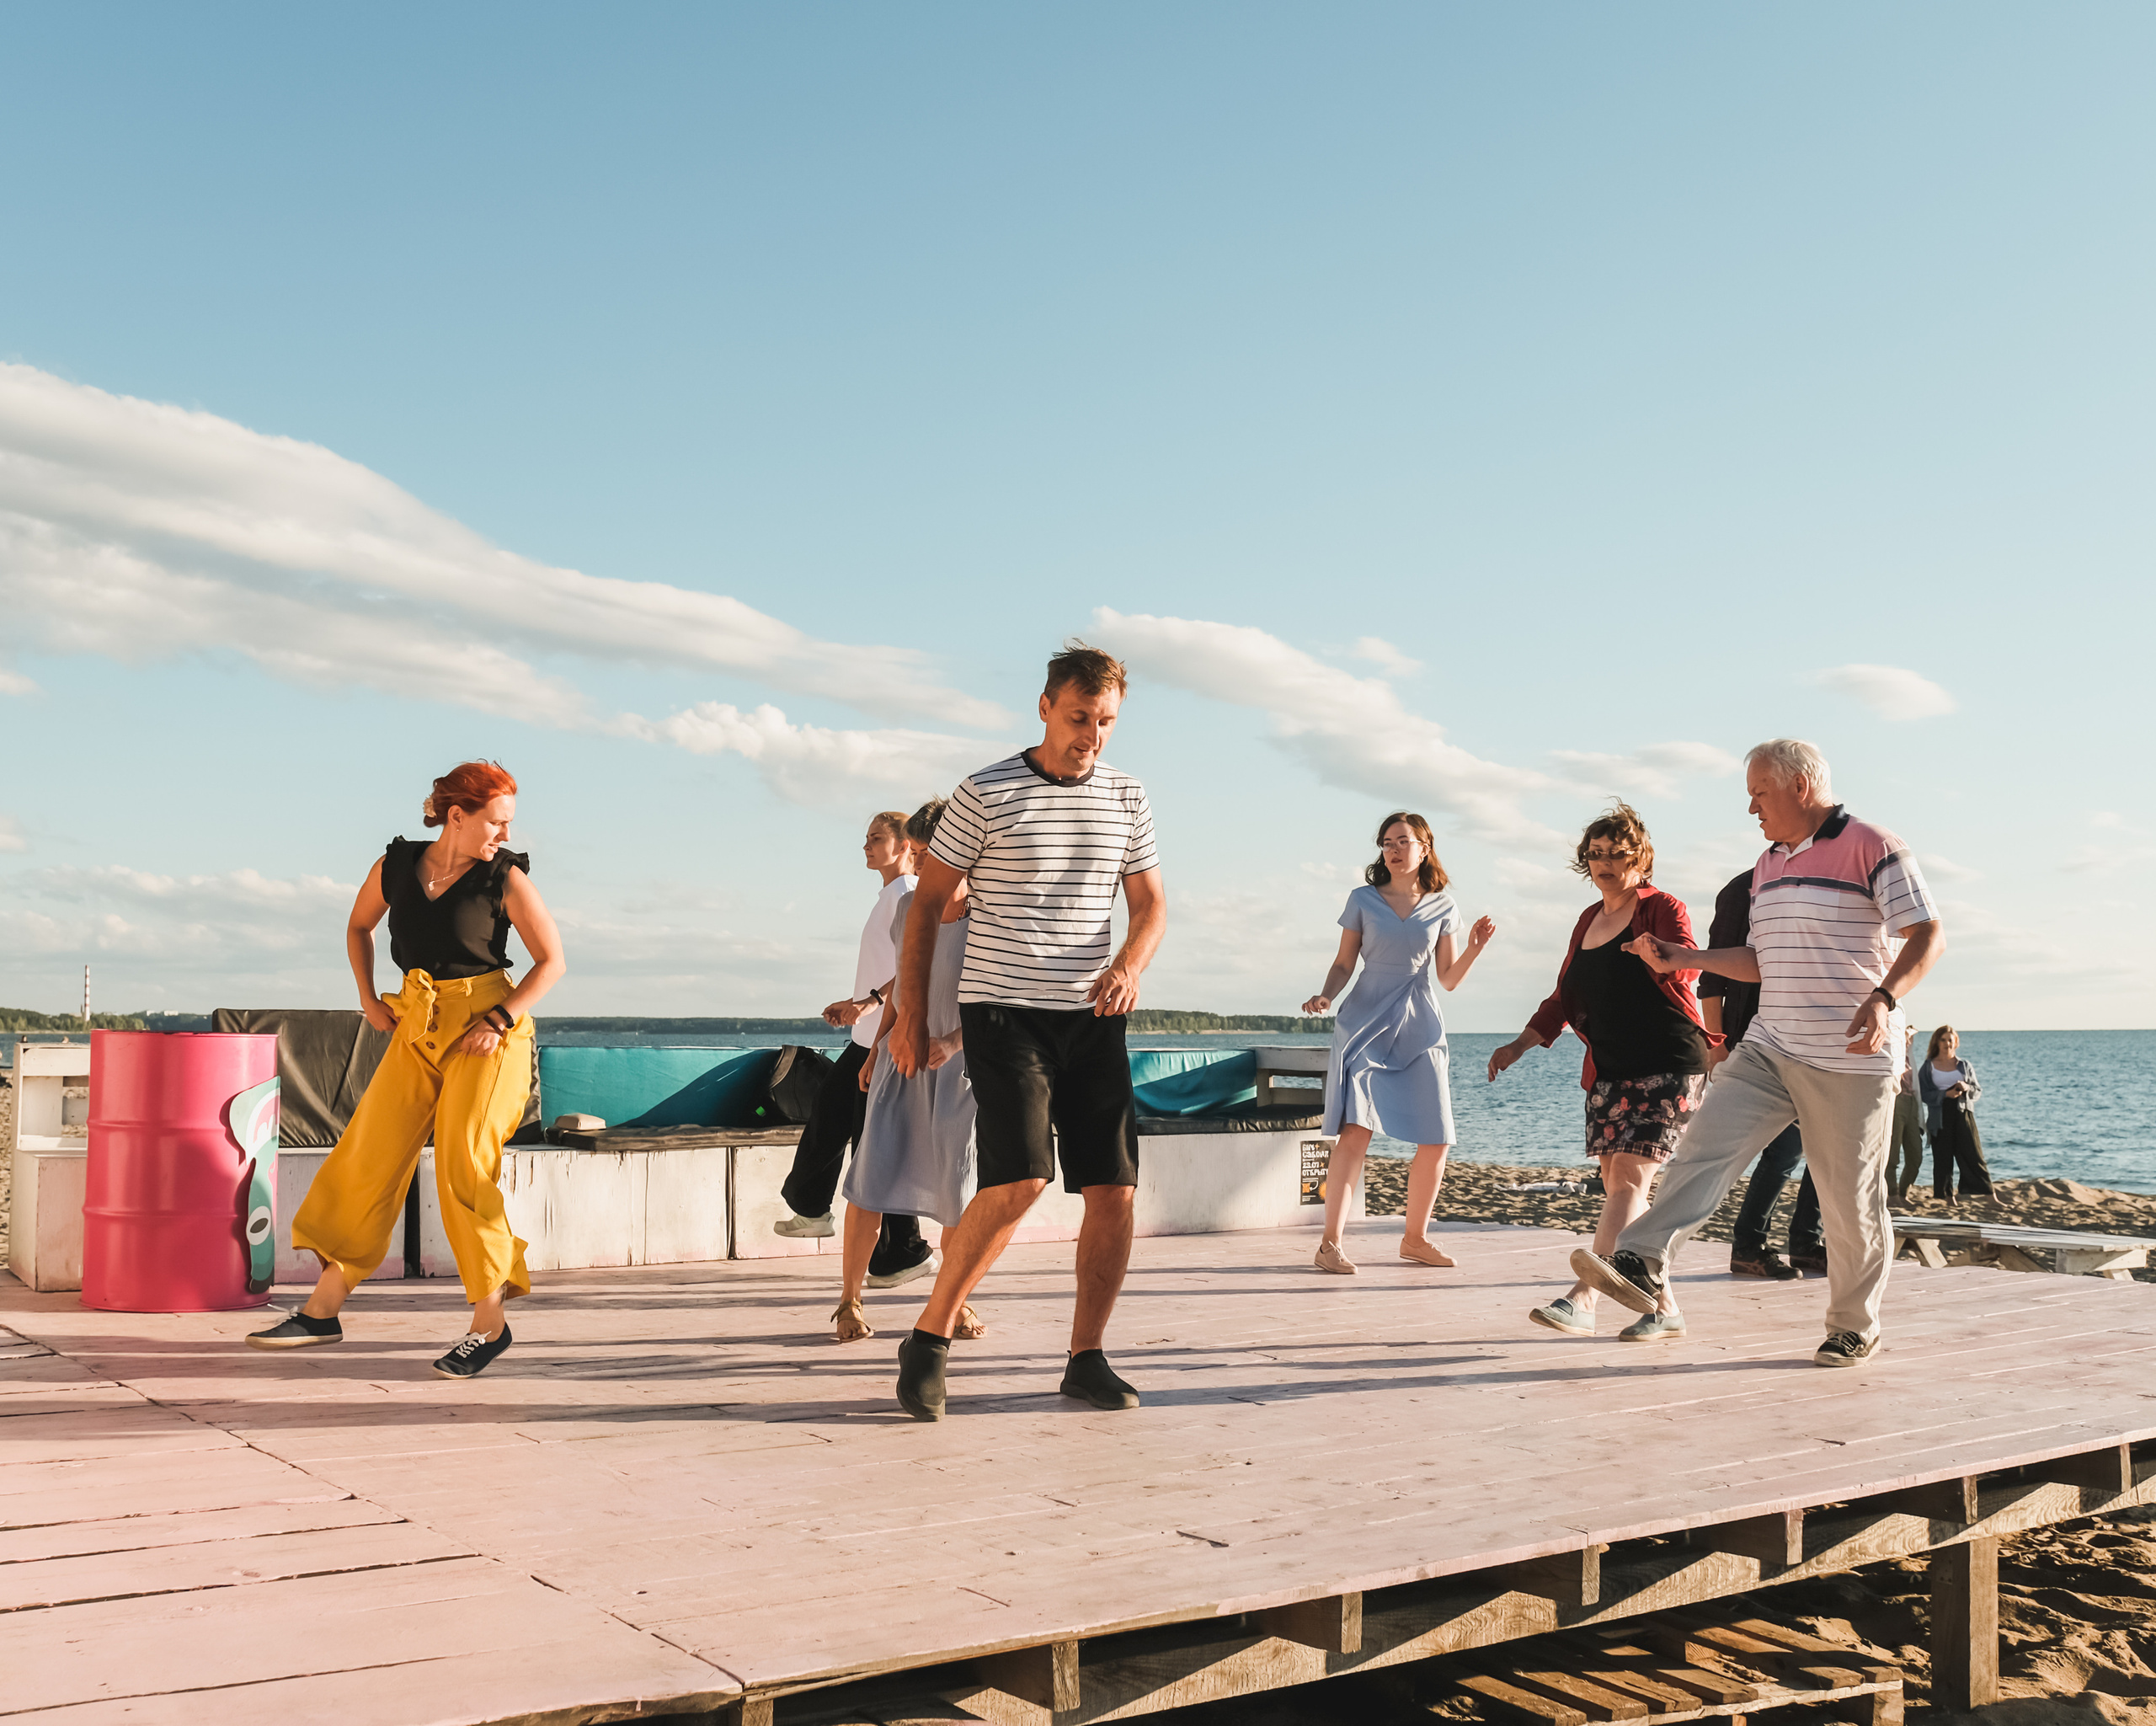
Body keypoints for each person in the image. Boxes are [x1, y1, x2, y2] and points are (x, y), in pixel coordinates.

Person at [1572, 740, 1945, 1368]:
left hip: (1850, 1056)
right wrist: (1686, 959)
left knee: (1848, 1199)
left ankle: (1855, 1325)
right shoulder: (1768, 864)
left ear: (1800, 787)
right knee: (1701, 1148)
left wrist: (1884, 998)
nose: (1751, 806)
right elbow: (1761, 960)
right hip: (1771, 1045)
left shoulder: (1873, 845)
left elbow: (1927, 932)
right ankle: (1641, 1256)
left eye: (1759, 792)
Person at [885, 642, 1166, 1422]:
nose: (1092, 734)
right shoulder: (985, 792)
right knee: (1019, 1181)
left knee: (1114, 1190)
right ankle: (930, 1337)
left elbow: (1150, 906)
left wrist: (1132, 963)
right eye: (1080, 717)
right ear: (1045, 706)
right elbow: (926, 909)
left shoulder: (1127, 797)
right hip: (1003, 1013)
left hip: (1094, 1017)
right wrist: (910, 1015)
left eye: (1106, 720)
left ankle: (1086, 1356)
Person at [246, 761, 566, 1378]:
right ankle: (322, 1310)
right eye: (495, 822)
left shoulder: (505, 877)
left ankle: (488, 1324)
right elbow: (358, 925)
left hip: (488, 1033)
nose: (503, 834)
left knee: (461, 1166)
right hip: (416, 1021)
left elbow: (551, 962)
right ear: (456, 815)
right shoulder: (394, 867)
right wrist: (368, 997)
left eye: (508, 824)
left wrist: (498, 1019)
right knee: (369, 1153)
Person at [1486, 804, 1712, 1339]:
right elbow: (1567, 993)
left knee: (1631, 1179)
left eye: (1617, 853)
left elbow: (1685, 956)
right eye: (1596, 854)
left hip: (1669, 1064)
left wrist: (1659, 953)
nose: (1605, 862)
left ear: (1640, 858)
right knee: (1618, 1184)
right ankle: (1664, 1308)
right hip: (1611, 1070)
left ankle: (1583, 1298)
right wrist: (1522, 1043)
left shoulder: (1660, 907)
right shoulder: (1587, 920)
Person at [1302, 813, 1495, 1273]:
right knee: (1357, 1132)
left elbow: (1447, 978)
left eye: (1403, 841)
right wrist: (1327, 993)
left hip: (1420, 1023)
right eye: (1386, 842)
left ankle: (1415, 1239)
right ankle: (1329, 1244)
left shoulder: (1443, 905)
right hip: (1365, 1020)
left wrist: (1474, 947)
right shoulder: (1363, 900)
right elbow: (1344, 962)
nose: (1393, 849)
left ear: (1425, 847)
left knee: (1437, 1136)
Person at [831, 799, 985, 1345]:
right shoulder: (907, 910)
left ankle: (954, 1301)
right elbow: (903, 986)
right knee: (870, 1177)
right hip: (903, 1057)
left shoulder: (990, 917)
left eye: (928, 853)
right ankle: (849, 1299)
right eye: (916, 853)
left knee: (959, 1186)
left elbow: (1002, 1004)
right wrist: (875, 1050)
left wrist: (956, 1042)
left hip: (962, 1066)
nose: (919, 865)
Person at [771, 811, 935, 1291]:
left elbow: (912, 965)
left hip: (884, 1041)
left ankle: (901, 1250)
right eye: (866, 838)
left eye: (877, 839)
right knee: (830, 1121)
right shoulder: (890, 896)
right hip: (867, 1040)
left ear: (905, 847)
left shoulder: (905, 895)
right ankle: (817, 1212)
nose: (866, 846)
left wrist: (869, 1003)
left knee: (871, 1145)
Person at [1701, 866, 1826, 1280]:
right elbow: (1712, 977)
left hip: (1813, 1041)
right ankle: (1750, 1245)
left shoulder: (1821, 882)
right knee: (1785, 1151)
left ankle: (1807, 1243)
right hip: (1756, 1039)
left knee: (1823, 1149)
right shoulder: (1743, 889)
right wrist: (1717, 1045)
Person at [1920, 1024, 1990, 1202]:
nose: (1946, 1044)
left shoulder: (1964, 1065)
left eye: (1950, 1040)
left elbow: (1977, 1091)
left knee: (1973, 1154)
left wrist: (1966, 1088)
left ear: (1956, 1042)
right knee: (1942, 1157)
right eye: (1942, 1040)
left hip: (1963, 1113)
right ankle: (1945, 1197)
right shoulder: (1929, 1066)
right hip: (1940, 1115)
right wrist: (1945, 1094)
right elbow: (1923, 1094)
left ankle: (1988, 1195)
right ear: (1937, 1042)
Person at [1889, 1025, 1926, 1203]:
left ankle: (1903, 1192)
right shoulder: (1892, 1055)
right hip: (1896, 1102)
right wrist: (1903, 1036)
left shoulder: (1910, 1058)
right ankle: (1892, 1194)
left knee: (1916, 1155)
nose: (1909, 1041)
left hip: (1912, 1103)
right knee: (1892, 1153)